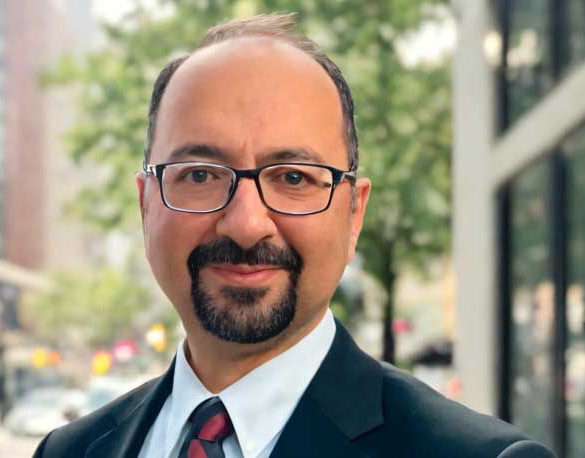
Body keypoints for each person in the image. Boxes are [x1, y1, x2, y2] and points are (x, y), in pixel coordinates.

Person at [33, 13, 554, 458]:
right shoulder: (68, 451)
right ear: (147, 204)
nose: (245, 224)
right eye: (201, 175)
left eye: (294, 178)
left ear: (353, 214)